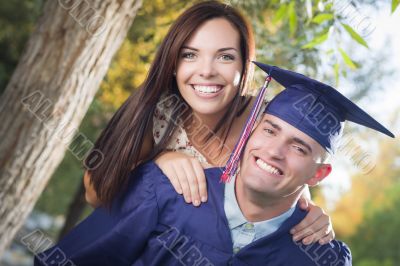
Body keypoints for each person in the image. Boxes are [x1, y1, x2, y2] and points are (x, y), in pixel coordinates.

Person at [34, 62, 394, 265]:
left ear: (319, 174)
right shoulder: (165, 191)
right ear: (249, 134)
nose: (273, 151)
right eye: (269, 130)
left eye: (298, 148)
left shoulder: (321, 258)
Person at [83, 0, 333, 244]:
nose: (206, 71)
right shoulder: (158, 111)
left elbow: (293, 179)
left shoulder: (266, 121)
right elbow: (96, 193)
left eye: (225, 57)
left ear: (244, 66)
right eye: (190, 55)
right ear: (172, 63)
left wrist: (314, 215)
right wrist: (159, 161)